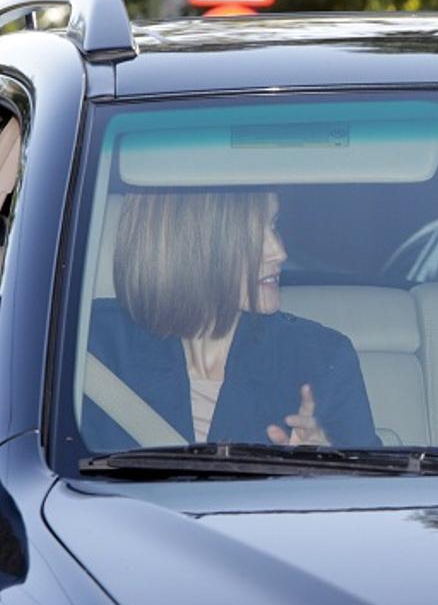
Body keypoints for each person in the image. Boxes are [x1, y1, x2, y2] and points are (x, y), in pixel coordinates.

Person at [82, 191, 378, 450]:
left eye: (273, 225)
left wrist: (329, 468)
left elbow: (369, 500)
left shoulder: (321, 358)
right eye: (251, 234)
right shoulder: (85, 350)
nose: (279, 252)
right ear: (189, 245)